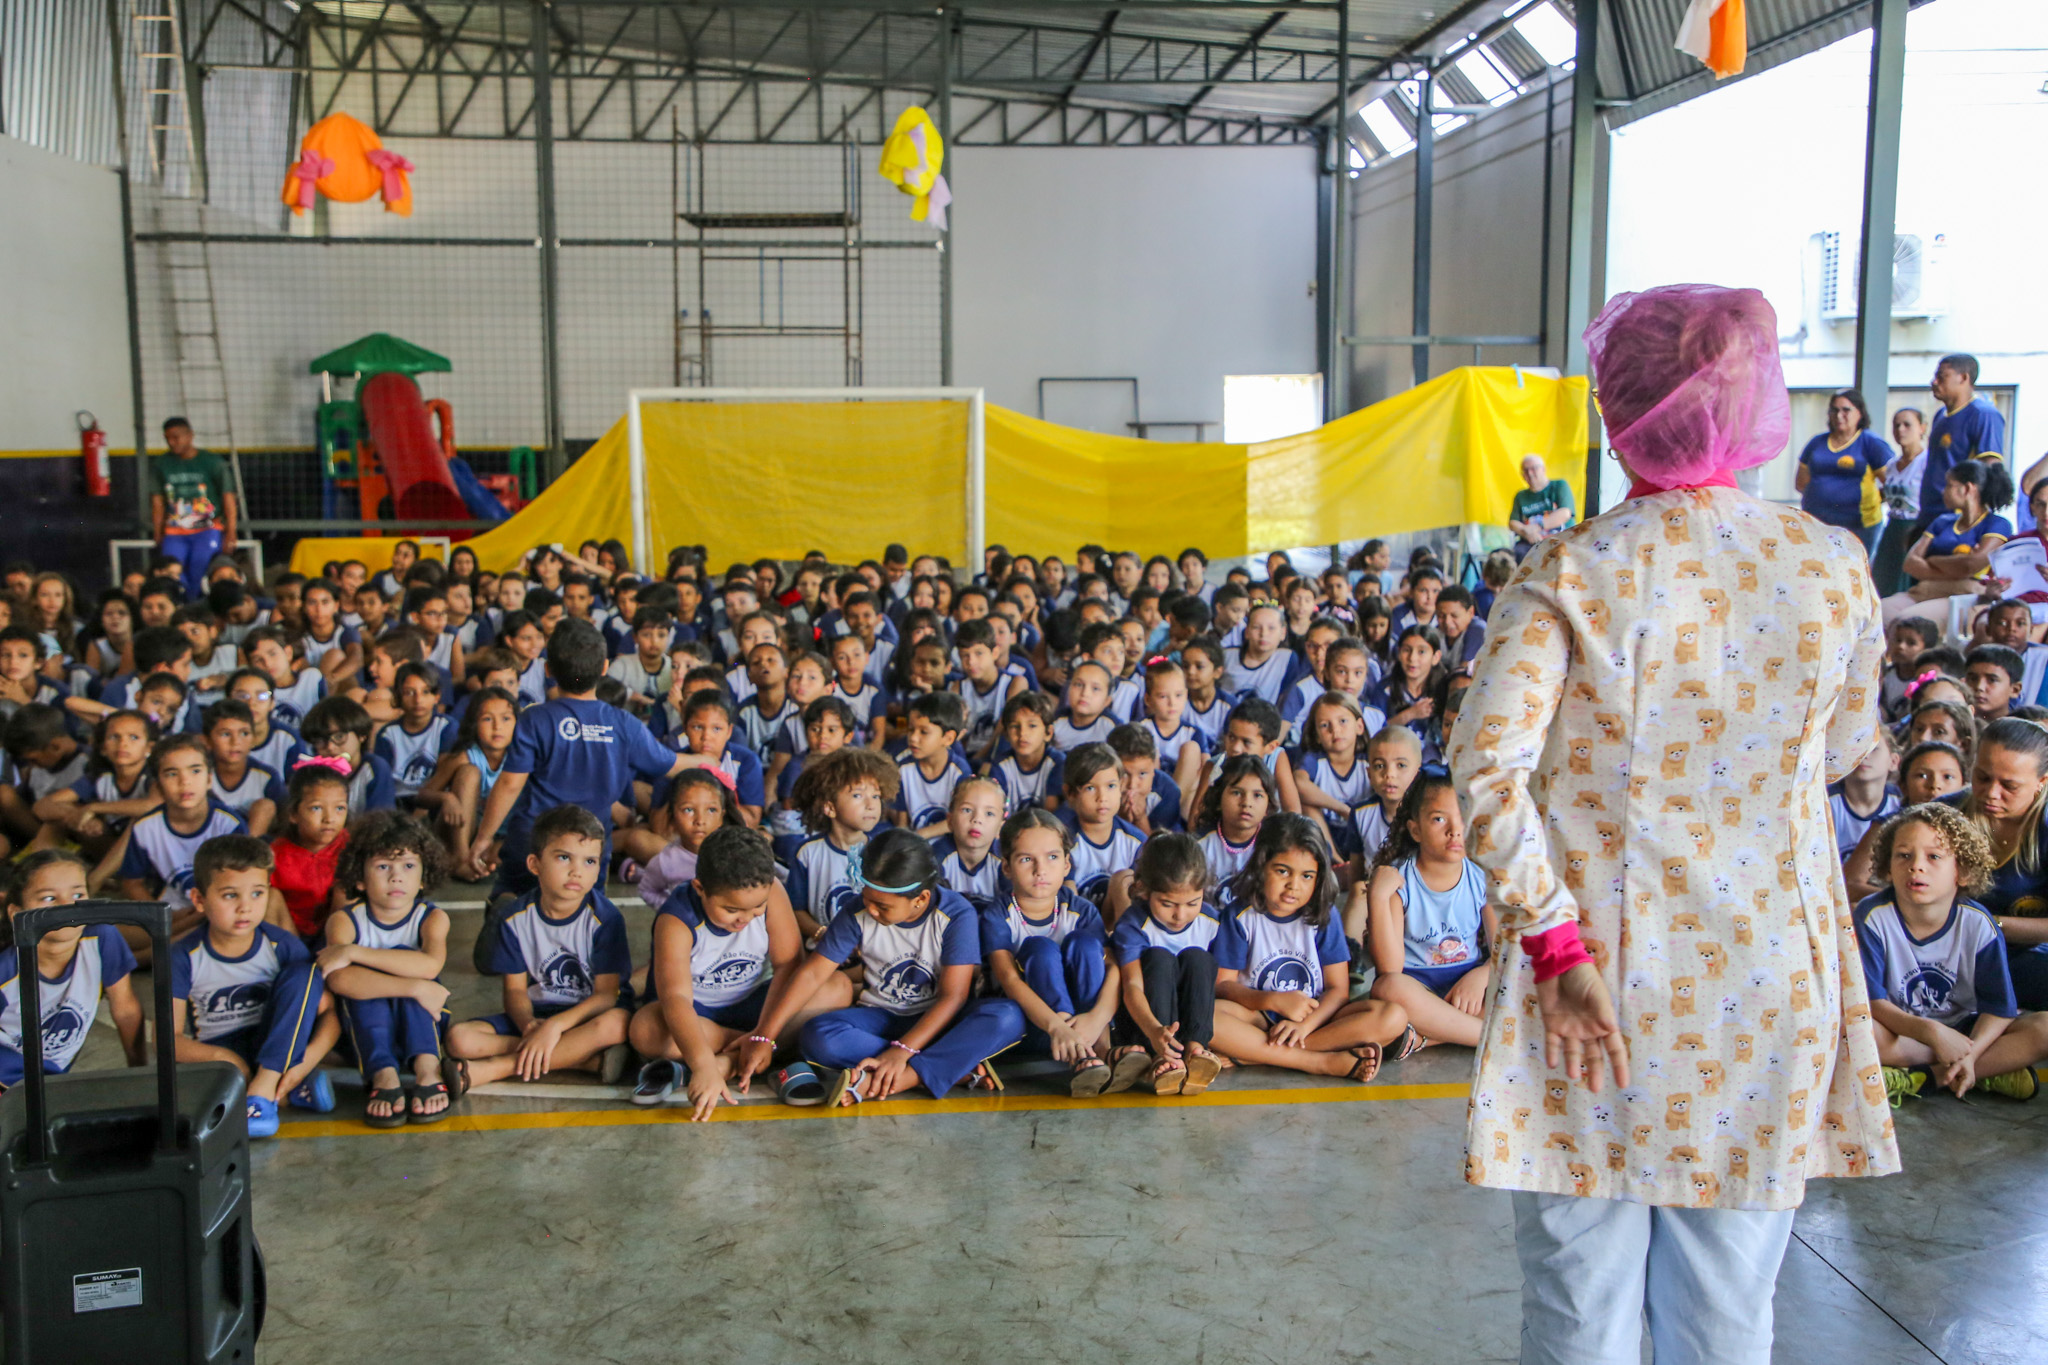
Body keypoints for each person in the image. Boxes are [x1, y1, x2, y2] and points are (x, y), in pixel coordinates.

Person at [1449, 283, 1896, 1362]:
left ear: (1620, 407)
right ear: (1755, 405)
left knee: (1578, 1312)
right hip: (1760, 987)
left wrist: (1554, 946)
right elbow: (1848, 751)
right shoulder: (1831, 566)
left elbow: (1484, 770)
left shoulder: (1570, 570)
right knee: (1727, 1316)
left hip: (1591, 980)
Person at [753, 828, 1026, 1107]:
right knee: (818, 1036)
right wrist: (766, 1036)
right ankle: (945, 1067)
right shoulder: (857, 911)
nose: (871, 910)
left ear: (920, 899)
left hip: (940, 1021)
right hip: (881, 1017)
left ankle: (907, 1076)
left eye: (882, 906)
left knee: (1008, 1016)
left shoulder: (956, 914)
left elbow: (953, 997)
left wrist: (903, 1050)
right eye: (867, 898)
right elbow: (812, 974)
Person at [628, 825, 838, 1117]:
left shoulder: (773, 892)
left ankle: (730, 1062)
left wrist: (764, 1034)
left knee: (836, 987)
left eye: (757, 907)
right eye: (731, 910)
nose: (744, 919)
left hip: (759, 1004)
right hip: (701, 1015)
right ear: (700, 888)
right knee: (645, 1030)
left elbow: (788, 966)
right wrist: (704, 1065)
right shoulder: (675, 919)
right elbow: (676, 999)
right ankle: (759, 1055)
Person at [1857, 802, 2048, 1104]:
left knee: (2044, 1029)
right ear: (1887, 867)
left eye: (1934, 857)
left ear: (1964, 871)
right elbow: (1872, 1003)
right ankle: (1985, 1071)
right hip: (1902, 1030)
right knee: (1855, 1029)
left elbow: (1999, 1009)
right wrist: (1932, 1033)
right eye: (1903, 855)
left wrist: (1970, 1052)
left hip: (1965, 1029)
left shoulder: (1980, 924)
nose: (1916, 866)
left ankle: (1927, 1077)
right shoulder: (1871, 917)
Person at [1210, 813, 1410, 1080]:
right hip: (1257, 1016)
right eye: (1282, 871)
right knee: (1208, 1017)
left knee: (1393, 1016)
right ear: (1261, 866)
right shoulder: (1238, 916)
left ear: (1319, 878)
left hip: (1317, 1020)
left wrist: (1304, 1026)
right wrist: (1271, 1000)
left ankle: (1251, 1053)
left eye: (1307, 876)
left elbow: (1337, 991)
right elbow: (1223, 986)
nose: (1293, 885)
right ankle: (1320, 1062)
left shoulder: (1323, 915)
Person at [448, 805, 634, 1087]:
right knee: (459, 1039)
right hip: (539, 1012)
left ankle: (497, 1068)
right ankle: (584, 1060)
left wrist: (556, 1027)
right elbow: (514, 990)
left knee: (616, 1024)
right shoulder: (514, 918)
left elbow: (606, 996)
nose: (577, 871)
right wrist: (529, 1025)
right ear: (535, 864)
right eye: (564, 857)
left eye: (589, 861)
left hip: (588, 1015)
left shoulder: (605, 918)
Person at [169, 835, 338, 1137]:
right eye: (230, 895)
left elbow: (330, 1014)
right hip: (219, 1052)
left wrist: (305, 1061)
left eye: (257, 893)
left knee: (304, 974)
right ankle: (286, 1092)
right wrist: (226, 1059)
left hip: (277, 1041)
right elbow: (168, 1040)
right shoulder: (184, 956)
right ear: (199, 900)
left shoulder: (282, 946)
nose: (245, 907)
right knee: (203, 1090)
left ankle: (265, 1089)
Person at [321, 811, 458, 1127]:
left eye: (408, 866)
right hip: (364, 1032)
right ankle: (382, 1073)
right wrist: (416, 988)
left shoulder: (432, 917)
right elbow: (339, 979)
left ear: (423, 877)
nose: (396, 877)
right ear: (359, 878)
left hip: (423, 1023)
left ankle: (428, 1067)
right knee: (365, 980)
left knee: (404, 959)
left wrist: (354, 952)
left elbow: (430, 965)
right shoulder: (344, 920)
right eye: (383, 867)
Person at [1363, 772, 1495, 1050]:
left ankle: (1425, 1037)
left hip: (1467, 990)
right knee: (1388, 988)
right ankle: (1491, 1037)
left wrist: (1481, 975)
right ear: (1415, 830)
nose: (1454, 830)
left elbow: (1503, 950)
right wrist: (1377, 896)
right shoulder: (1399, 881)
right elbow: (1389, 969)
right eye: (1439, 819)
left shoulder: (1482, 877)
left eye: (1463, 817)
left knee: (1523, 983)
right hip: (1417, 988)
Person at [0, 850, 148, 1088]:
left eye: (78, 895)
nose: (67, 907)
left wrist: (140, 1072)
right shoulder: (5, 971)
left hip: (50, 1080)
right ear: (17, 913)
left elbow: (125, 1010)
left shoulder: (101, 937)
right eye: (49, 898)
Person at [1107, 832, 1223, 1096]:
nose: (1180, 915)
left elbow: (1211, 985)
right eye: (1167, 904)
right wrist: (1153, 1030)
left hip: (1185, 1020)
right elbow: (1132, 986)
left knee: (1198, 958)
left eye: (1192, 903)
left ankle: (1195, 1049)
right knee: (1159, 957)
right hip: (1145, 1024)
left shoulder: (1212, 922)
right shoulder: (1134, 925)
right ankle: (1160, 1056)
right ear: (1145, 890)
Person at [1882, 458, 2013, 630]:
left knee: (1905, 622)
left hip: (1963, 597)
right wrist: (1957, 567)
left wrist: (1933, 560)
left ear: (1967, 489)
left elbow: (1971, 565)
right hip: (1926, 591)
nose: (1943, 491)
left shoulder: (1997, 524)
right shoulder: (1943, 521)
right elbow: (1910, 564)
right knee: (1878, 612)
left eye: (1949, 485)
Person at [150, 417, 239, 600]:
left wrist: (231, 531)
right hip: (175, 530)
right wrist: (158, 531)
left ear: (190, 436)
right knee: (170, 569)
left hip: (207, 528)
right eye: (168, 438)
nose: (172, 442)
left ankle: (195, 605)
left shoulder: (212, 462)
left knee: (200, 567)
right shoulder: (161, 464)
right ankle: (181, 602)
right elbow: (157, 501)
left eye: (176, 437)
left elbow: (228, 497)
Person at [1796, 388, 1893, 549]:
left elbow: (1893, 483)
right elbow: (1801, 483)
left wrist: (1870, 500)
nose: (1839, 415)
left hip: (1859, 527)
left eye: (1846, 410)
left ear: (1859, 412)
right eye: (1834, 410)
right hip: (1816, 525)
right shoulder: (1816, 443)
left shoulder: (1871, 443)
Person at [1923, 353, 2007, 532]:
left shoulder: (1983, 415)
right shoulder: (1940, 416)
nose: (1934, 382)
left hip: (1957, 518)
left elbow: (1990, 467)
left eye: (1942, 376)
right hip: (1930, 511)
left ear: (1963, 378)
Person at [1874, 407, 1931, 592]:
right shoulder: (1891, 465)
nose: (1900, 430)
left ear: (1922, 428)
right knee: (1884, 581)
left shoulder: (1927, 462)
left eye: (1907, 425)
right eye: (1896, 425)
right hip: (1893, 527)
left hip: (1915, 528)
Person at [1506, 454, 1577, 561]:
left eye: (1534, 469)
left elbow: (1565, 513)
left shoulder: (1559, 486)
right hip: (1530, 542)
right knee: (1513, 556)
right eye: (1526, 471)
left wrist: (1538, 527)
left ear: (1543, 469)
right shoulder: (1520, 496)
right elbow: (1513, 522)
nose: (1530, 473)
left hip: (1561, 539)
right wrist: (1526, 531)